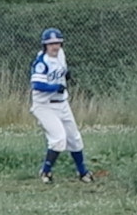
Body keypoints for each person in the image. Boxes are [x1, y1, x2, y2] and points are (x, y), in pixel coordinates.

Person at [29, 27, 92, 184]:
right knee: (58, 139)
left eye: (57, 43)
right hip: (44, 105)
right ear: (45, 46)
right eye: (51, 44)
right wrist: (54, 87)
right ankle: (46, 171)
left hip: (62, 104)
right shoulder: (41, 62)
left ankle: (83, 172)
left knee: (74, 139)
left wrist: (66, 74)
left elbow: (62, 70)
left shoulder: (61, 55)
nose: (55, 47)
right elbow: (36, 85)